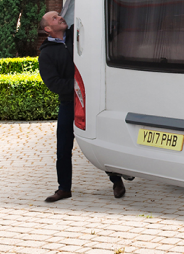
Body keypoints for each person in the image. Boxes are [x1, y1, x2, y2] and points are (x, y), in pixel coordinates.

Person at [38, 11, 127, 202]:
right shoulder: (46, 54)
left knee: (101, 141)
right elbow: (53, 83)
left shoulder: (77, 35)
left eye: (59, 15)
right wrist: (78, 84)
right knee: (63, 147)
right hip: (69, 103)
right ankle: (64, 189)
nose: (60, 17)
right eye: (54, 18)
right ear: (47, 28)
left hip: (93, 101)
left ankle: (116, 179)